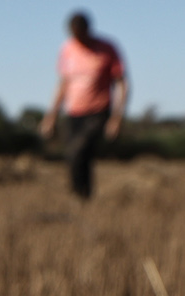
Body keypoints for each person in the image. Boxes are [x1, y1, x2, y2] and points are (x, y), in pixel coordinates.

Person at [39, 11, 129, 200]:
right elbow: (63, 84)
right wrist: (51, 116)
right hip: (73, 112)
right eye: (74, 35)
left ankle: (81, 196)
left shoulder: (107, 48)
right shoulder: (67, 49)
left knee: (78, 150)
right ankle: (82, 197)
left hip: (98, 111)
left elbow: (122, 83)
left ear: (88, 30)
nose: (78, 39)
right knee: (75, 156)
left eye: (81, 34)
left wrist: (117, 118)